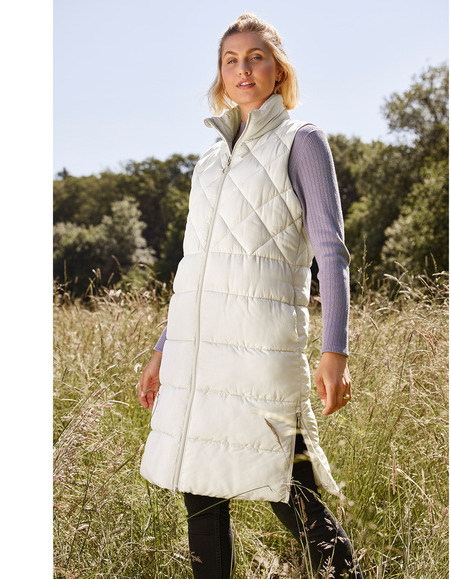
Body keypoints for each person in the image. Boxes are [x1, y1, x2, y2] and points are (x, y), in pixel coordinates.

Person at [138, 13, 363, 579]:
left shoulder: (302, 141)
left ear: (277, 70)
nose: (243, 69)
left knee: (293, 496)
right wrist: (163, 349)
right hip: (198, 355)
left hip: (263, 356)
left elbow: (331, 252)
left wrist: (334, 351)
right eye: (231, 60)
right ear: (221, 74)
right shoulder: (208, 161)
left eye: (255, 57)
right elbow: (197, 267)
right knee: (200, 495)